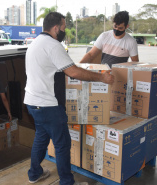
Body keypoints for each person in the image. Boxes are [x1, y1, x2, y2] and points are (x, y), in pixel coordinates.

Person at [24, 12, 114, 185]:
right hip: (49, 105)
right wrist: (101, 77)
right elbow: (73, 71)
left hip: (32, 102)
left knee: (41, 138)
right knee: (62, 145)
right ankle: (67, 182)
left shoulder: (35, 43)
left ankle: (34, 173)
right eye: (64, 27)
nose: (65, 31)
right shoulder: (52, 45)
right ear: (56, 28)